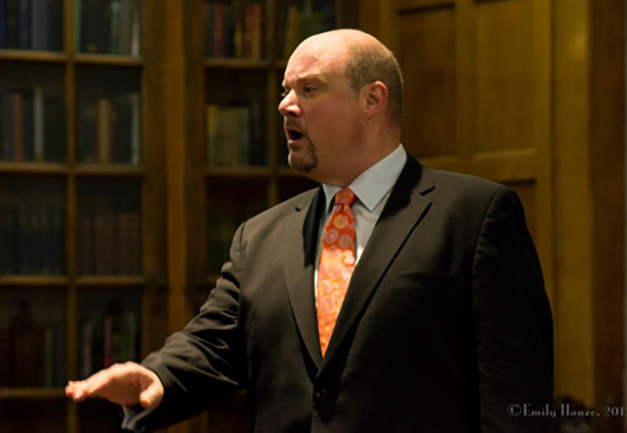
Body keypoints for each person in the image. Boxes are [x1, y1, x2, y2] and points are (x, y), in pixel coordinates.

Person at [66, 29, 554, 432]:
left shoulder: (474, 215)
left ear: (372, 99)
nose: (285, 105)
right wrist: (156, 376)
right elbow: (214, 344)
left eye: (309, 89)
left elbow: (514, 395)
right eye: (284, 90)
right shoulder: (260, 237)